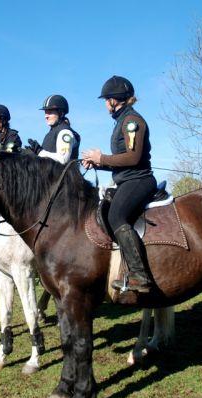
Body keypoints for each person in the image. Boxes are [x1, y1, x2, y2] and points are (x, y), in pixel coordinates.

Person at [82, 75, 157, 294]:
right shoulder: (121, 121)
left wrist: (102, 158)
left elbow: (133, 158)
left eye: (107, 100)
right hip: (127, 179)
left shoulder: (132, 121)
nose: (106, 104)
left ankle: (140, 275)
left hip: (139, 180)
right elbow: (122, 162)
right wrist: (97, 163)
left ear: (114, 100)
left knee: (116, 216)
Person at [26, 94, 81, 163]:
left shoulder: (65, 132)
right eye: (45, 112)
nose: (46, 116)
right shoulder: (50, 133)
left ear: (61, 113)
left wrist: (40, 152)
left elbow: (63, 159)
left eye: (50, 112)